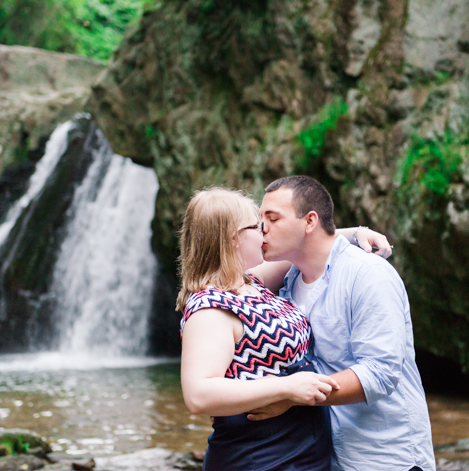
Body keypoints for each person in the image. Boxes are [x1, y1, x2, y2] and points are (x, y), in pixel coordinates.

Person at [177, 187, 392, 471]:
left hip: (302, 450)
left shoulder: (250, 283)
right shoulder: (211, 307)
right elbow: (198, 394)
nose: (265, 232)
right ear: (233, 239)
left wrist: (354, 234)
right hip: (257, 456)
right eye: (256, 226)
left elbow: (308, 247)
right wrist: (286, 388)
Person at [248, 175, 435, 471]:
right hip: (325, 455)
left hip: (386, 457)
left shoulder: (368, 275)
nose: (262, 229)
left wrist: (292, 395)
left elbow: (380, 372)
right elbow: (232, 286)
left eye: (273, 218)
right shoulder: (289, 281)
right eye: (260, 220)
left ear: (309, 221)